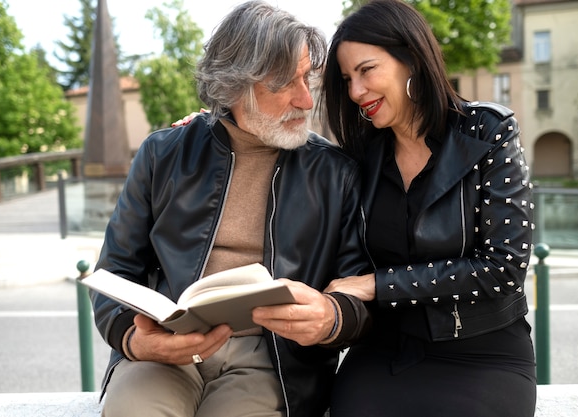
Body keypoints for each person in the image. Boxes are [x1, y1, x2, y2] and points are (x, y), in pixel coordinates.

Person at [90, 1, 371, 417]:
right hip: (167, 347)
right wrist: (134, 340)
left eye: (306, 78)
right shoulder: (163, 154)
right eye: (284, 83)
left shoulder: (336, 173)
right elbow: (115, 270)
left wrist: (333, 318)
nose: (306, 99)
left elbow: (358, 292)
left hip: (273, 359)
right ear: (234, 85)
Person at [320, 1, 537, 416]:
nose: (355, 92)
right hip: (384, 350)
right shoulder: (358, 158)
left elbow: (504, 268)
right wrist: (215, 127)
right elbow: (292, 161)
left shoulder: (488, 131)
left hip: (484, 353)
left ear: (412, 61)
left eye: (366, 71)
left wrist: (377, 285)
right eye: (347, 78)